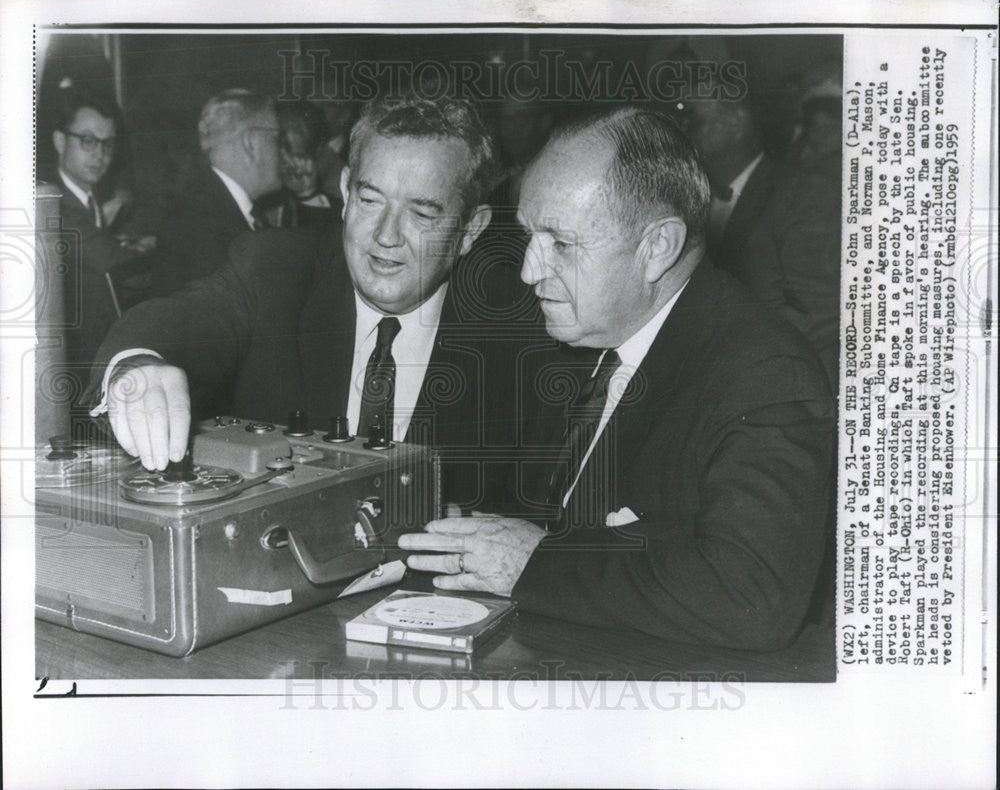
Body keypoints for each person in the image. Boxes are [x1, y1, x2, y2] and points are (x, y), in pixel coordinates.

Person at [400, 107, 836, 651]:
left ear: (657, 248)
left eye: (560, 243)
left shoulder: (764, 374)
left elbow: (751, 596)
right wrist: (460, 530)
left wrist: (530, 561)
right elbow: (547, 518)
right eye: (530, 237)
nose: (529, 271)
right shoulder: (578, 338)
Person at [90, 92, 529, 509]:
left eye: (421, 213)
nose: (385, 236)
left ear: (471, 229)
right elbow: (176, 322)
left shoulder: (522, 326)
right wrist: (136, 366)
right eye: (370, 199)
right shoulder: (274, 270)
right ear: (344, 189)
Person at [680, 83, 841, 391]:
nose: (681, 127)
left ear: (737, 122)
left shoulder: (804, 194)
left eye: (693, 117)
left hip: (789, 389)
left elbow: (817, 309)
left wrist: (723, 351)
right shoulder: (691, 203)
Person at [152, 89, 282, 296]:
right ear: (251, 143)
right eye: (276, 138)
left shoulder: (222, 205)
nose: (282, 151)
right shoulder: (200, 223)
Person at [48, 87, 133, 399]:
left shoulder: (89, 199)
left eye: (108, 144)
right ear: (60, 141)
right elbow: (111, 260)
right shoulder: (55, 203)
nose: (100, 154)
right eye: (88, 141)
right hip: (70, 371)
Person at [263, 100, 337, 230]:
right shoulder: (256, 186)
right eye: (278, 147)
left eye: (298, 156)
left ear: (316, 153)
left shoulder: (335, 188)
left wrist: (307, 193)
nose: (285, 161)